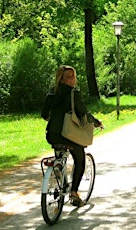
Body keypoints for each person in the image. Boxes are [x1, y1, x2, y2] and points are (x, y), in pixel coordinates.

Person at [41, 65, 103, 207]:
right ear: (61, 79)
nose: (72, 79)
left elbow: (44, 115)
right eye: (69, 76)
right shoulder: (73, 93)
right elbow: (83, 113)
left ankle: (58, 174)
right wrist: (97, 122)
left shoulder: (51, 93)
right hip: (68, 135)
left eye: (73, 76)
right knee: (79, 159)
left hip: (52, 134)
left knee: (60, 154)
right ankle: (74, 193)